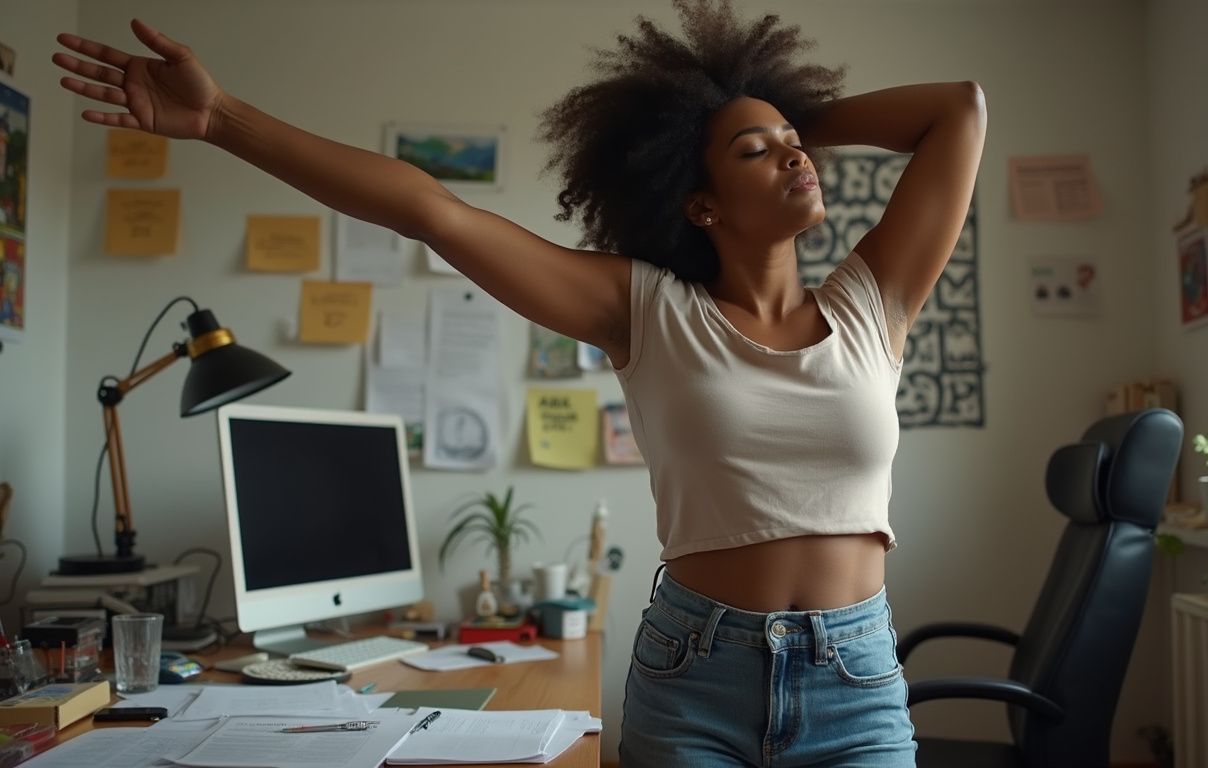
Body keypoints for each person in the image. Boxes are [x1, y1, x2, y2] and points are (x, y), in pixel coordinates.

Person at [55, 1, 985, 764]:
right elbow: (432, 212)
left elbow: (960, 111)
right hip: (697, 672)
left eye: (796, 144)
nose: (794, 156)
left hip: (854, 679)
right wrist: (222, 120)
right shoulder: (644, 308)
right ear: (696, 201)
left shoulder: (876, 299)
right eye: (754, 151)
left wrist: (773, 109)